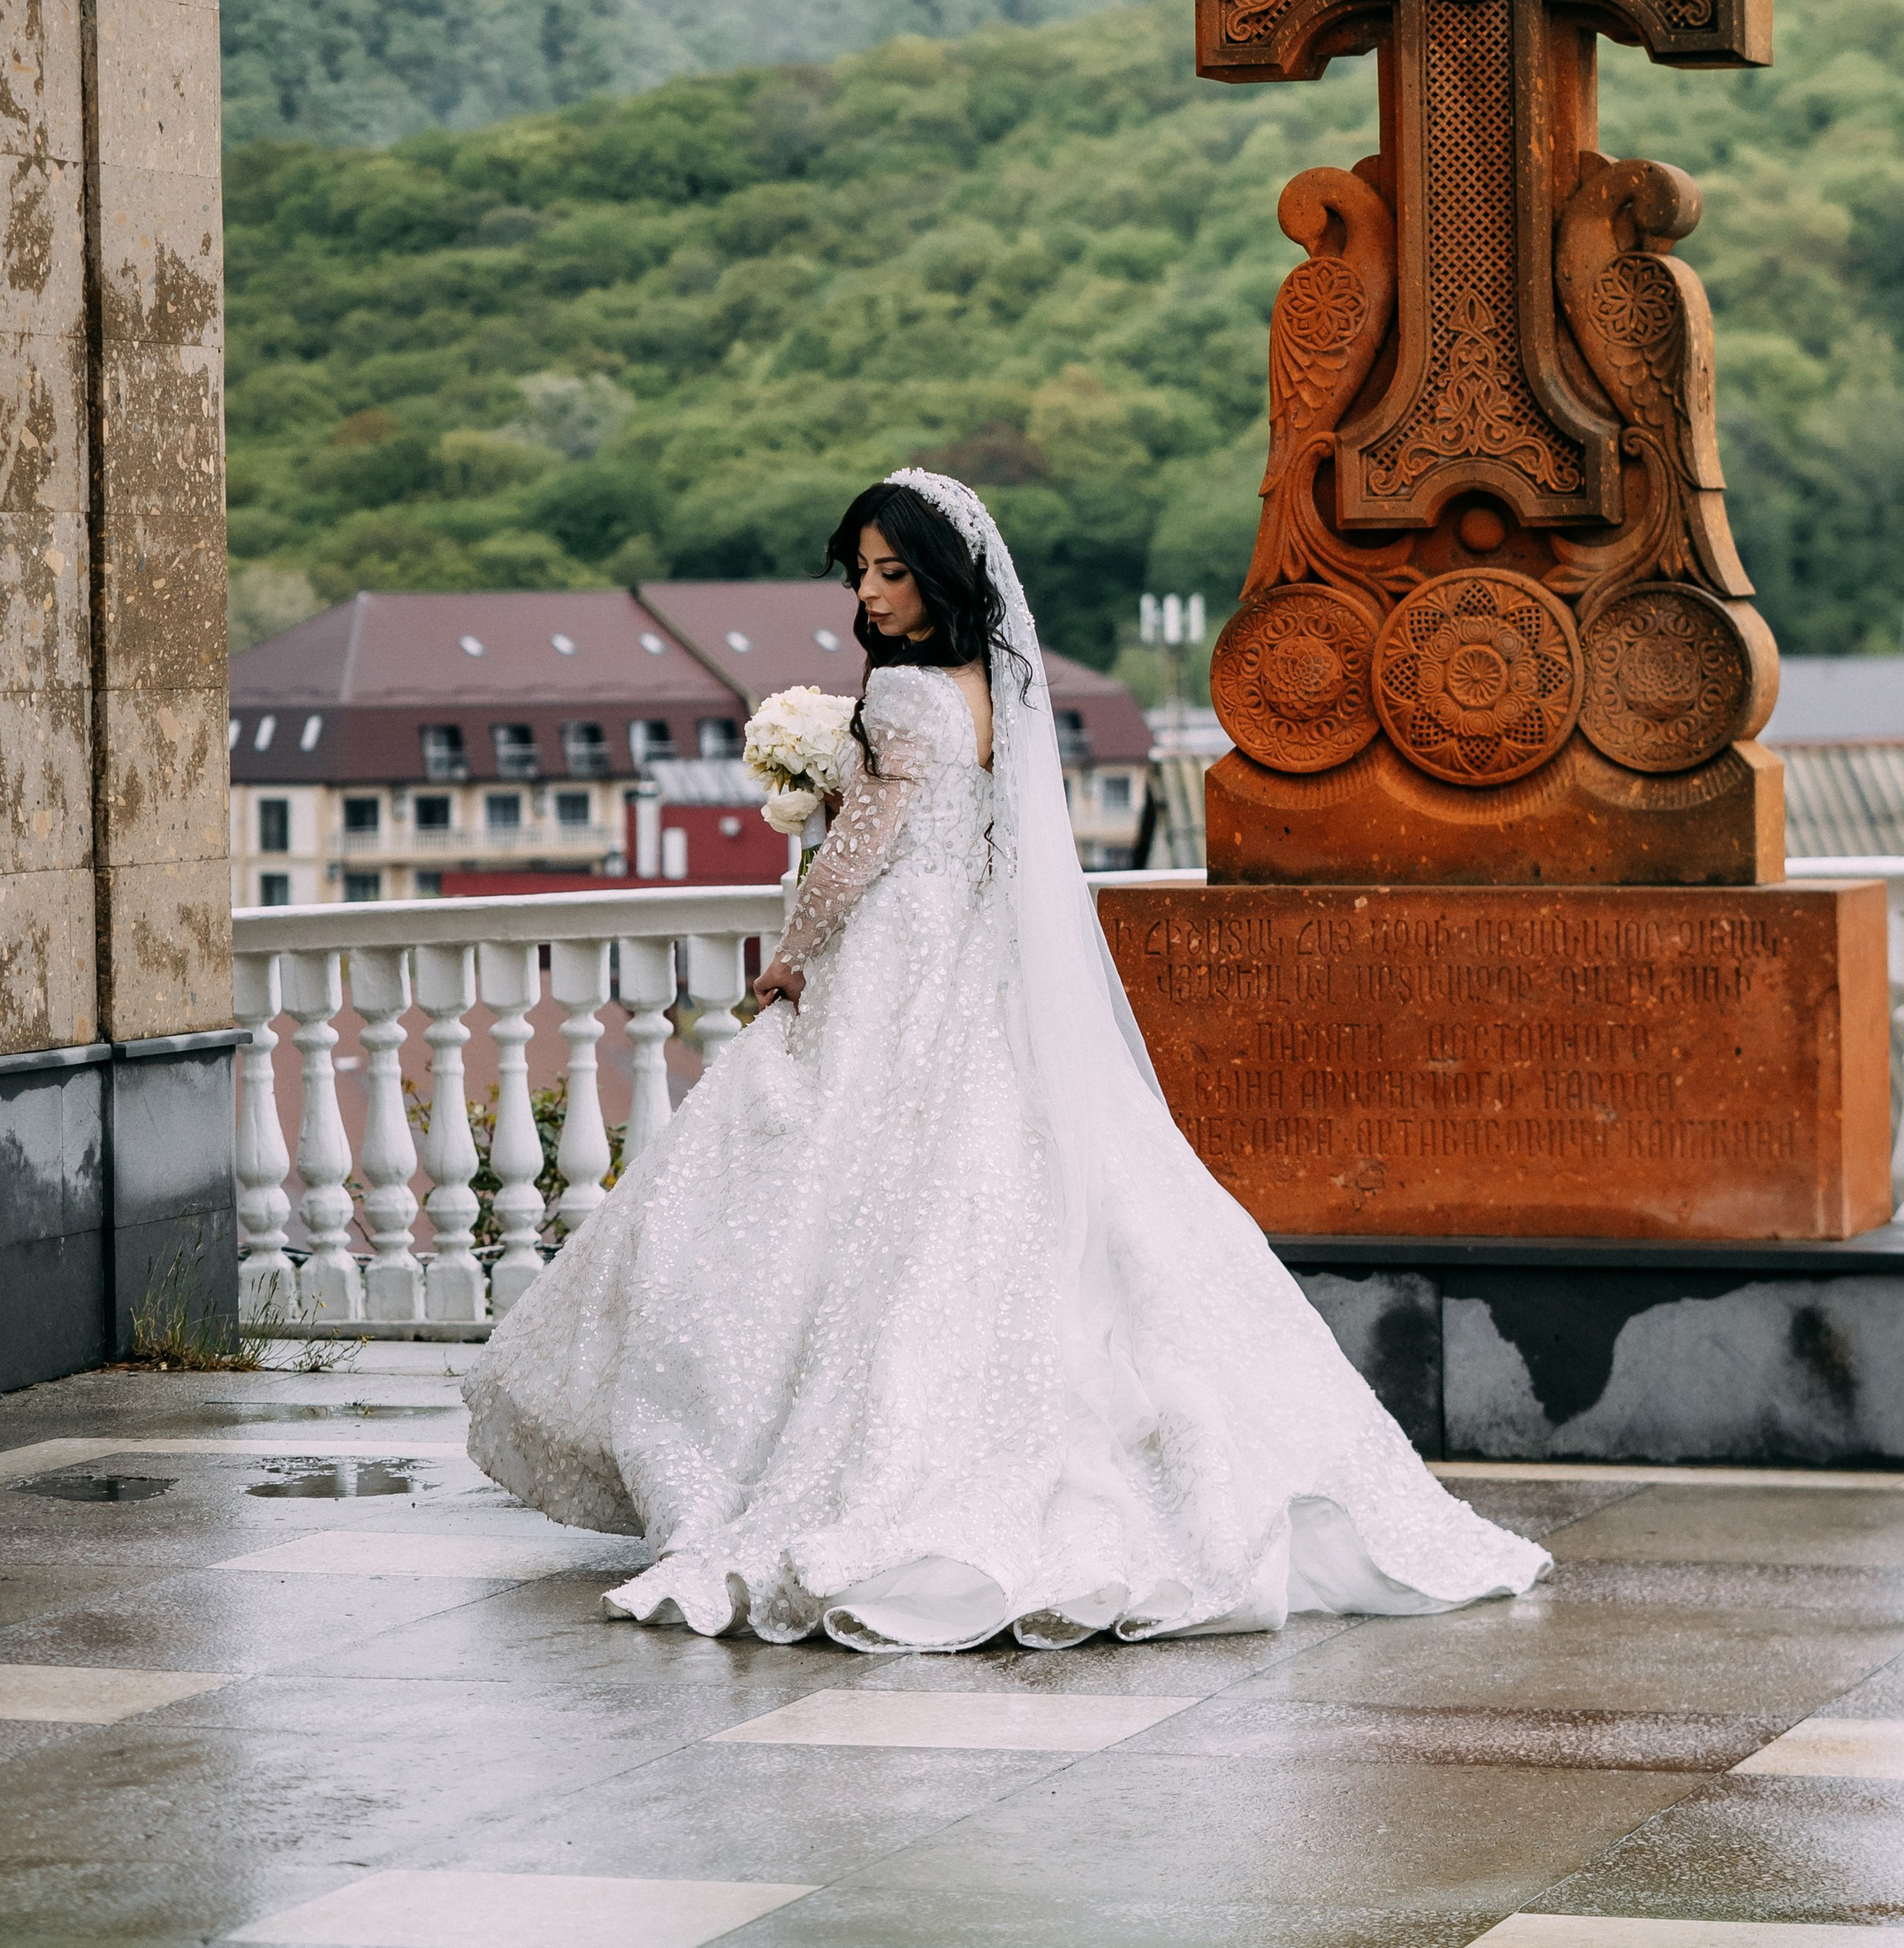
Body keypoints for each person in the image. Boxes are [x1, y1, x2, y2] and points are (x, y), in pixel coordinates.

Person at [467, 468, 1549, 1646]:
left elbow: (862, 855)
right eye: (863, 574)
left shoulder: (902, 703)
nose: (873, 596)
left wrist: (791, 956)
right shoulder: (1003, 687)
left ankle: (775, 1462)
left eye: (892, 572)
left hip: (893, 964)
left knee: (818, 1189)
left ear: (937, 578)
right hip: (984, 963)